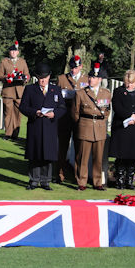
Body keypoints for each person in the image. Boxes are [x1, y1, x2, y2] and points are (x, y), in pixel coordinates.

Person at [19, 62, 66, 190]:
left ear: (49, 77)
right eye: (40, 78)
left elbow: (62, 107)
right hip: (35, 125)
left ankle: (45, 181)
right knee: (35, 154)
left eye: (44, 78)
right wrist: (35, 112)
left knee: (48, 154)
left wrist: (54, 114)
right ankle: (33, 180)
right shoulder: (30, 89)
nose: (42, 80)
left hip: (50, 126)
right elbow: (23, 107)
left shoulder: (55, 90)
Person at [73, 62, 110, 191]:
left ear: (99, 79)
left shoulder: (106, 93)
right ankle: (81, 182)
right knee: (82, 157)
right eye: (89, 77)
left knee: (98, 158)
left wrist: (100, 122)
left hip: (99, 128)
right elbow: (75, 112)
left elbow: (107, 111)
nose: (90, 79)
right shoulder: (81, 93)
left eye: (93, 77)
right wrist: (82, 124)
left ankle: (97, 182)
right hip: (85, 126)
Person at [110, 69, 135, 189]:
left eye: (131, 83)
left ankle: (130, 180)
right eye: (127, 82)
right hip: (122, 128)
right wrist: (130, 116)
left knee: (132, 156)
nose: (129, 85)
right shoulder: (118, 91)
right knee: (121, 156)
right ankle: (119, 180)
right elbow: (117, 106)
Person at [57, 55, 88, 183]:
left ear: (81, 66)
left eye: (76, 67)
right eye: (72, 67)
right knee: (62, 146)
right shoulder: (62, 78)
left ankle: (78, 176)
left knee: (79, 147)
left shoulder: (86, 79)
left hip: (79, 116)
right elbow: (57, 97)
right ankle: (59, 173)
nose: (74, 70)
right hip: (64, 115)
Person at [0, 41, 30, 139]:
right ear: (9, 52)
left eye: (14, 51)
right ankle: (8, 133)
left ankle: (15, 134)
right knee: (8, 113)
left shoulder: (22, 62)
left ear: (18, 52)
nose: (13, 52)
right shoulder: (4, 62)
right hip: (8, 91)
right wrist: (6, 78)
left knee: (18, 114)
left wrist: (25, 79)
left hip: (19, 92)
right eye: (11, 51)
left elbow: (27, 75)